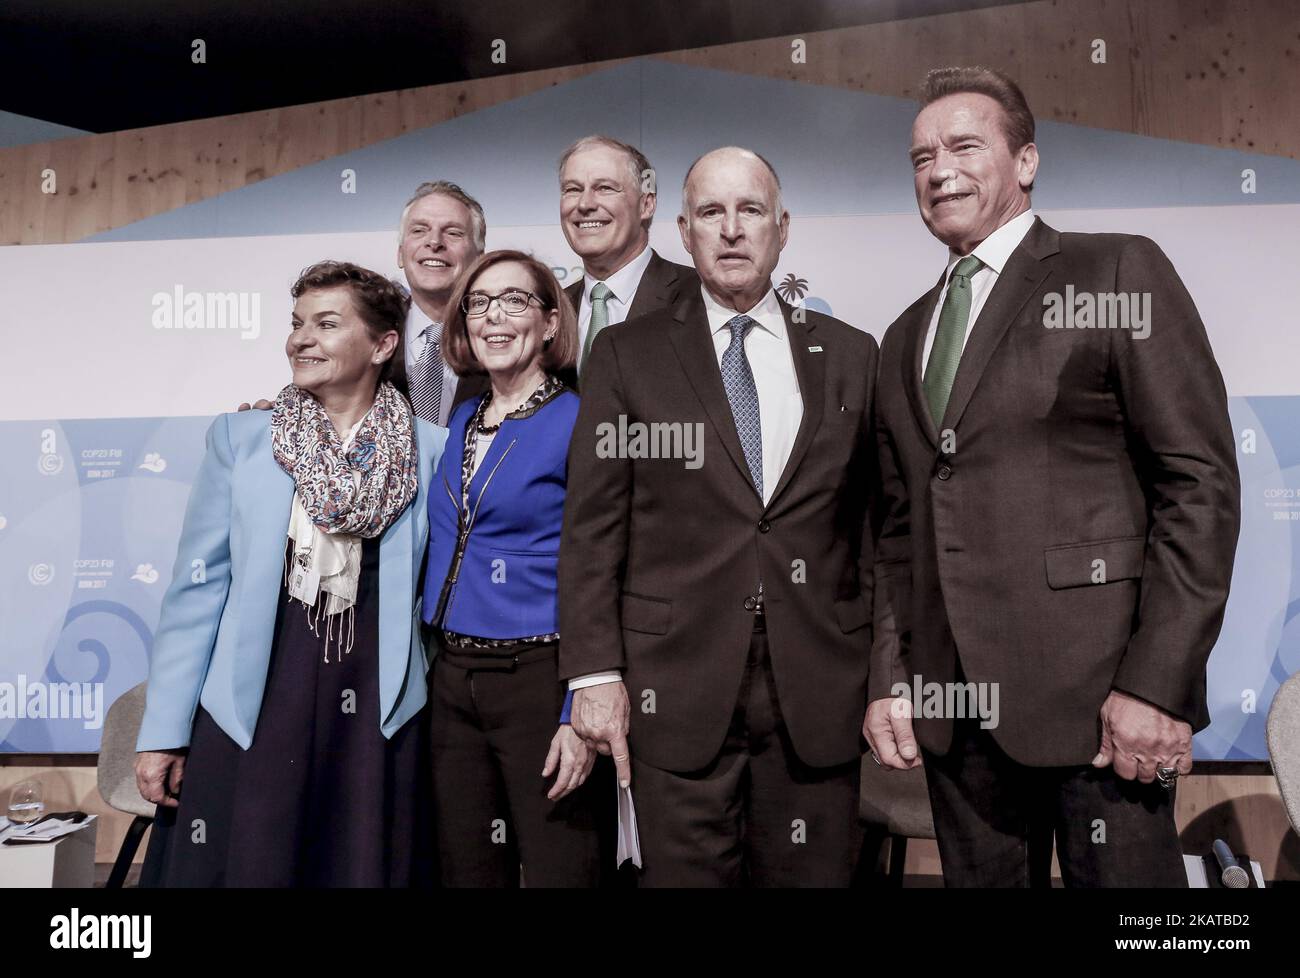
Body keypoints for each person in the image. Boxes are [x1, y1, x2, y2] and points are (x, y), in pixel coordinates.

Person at [864, 66, 1240, 887]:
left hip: (1103, 713)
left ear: (1026, 161)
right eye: (921, 156)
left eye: (965, 145)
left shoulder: (1114, 273)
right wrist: (893, 682)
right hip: (955, 720)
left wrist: (1156, 686)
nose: (939, 170)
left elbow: (1198, 485)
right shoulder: (901, 337)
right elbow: (899, 534)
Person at [559, 147, 878, 886]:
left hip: (818, 694)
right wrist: (594, 673)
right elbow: (593, 527)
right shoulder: (626, 354)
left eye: (750, 211)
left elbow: (877, 535)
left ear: (782, 227)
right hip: (673, 690)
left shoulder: (852, 356)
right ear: (683, 229)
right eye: (710, 213)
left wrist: (889, 678)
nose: (731, 230)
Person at [134, 261, 448, 887]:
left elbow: (436, 597)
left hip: (375, 706)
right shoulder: (241, 439)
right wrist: (164, 729)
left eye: (326, 324)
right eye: (296, 324)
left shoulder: (432, 448)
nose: (301, 338)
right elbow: (197, 591)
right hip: (257, 696)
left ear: (384, 345)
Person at [423, 249, 601, 887]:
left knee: (563, 871)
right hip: (452, 678)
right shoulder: (463, 417)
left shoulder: (579, 420)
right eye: (478, 303)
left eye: (515, 300)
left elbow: (602, 568)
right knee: (469, 870)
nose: (493, 316)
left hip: (540, 677)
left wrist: (574, 712)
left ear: (551, 323)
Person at [238, 180, 489, 420]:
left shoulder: (501, 334)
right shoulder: (363, 327)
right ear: (400, 253)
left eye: (453, 233)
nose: (434, 242)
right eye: (419, 230)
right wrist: (274, 426)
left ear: (479, 258)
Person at [558, 135, 696, 386]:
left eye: (605, 188)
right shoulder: (550, 310)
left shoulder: (699, 296)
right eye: (572, 189)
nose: (585, 203)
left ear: (646, 204)